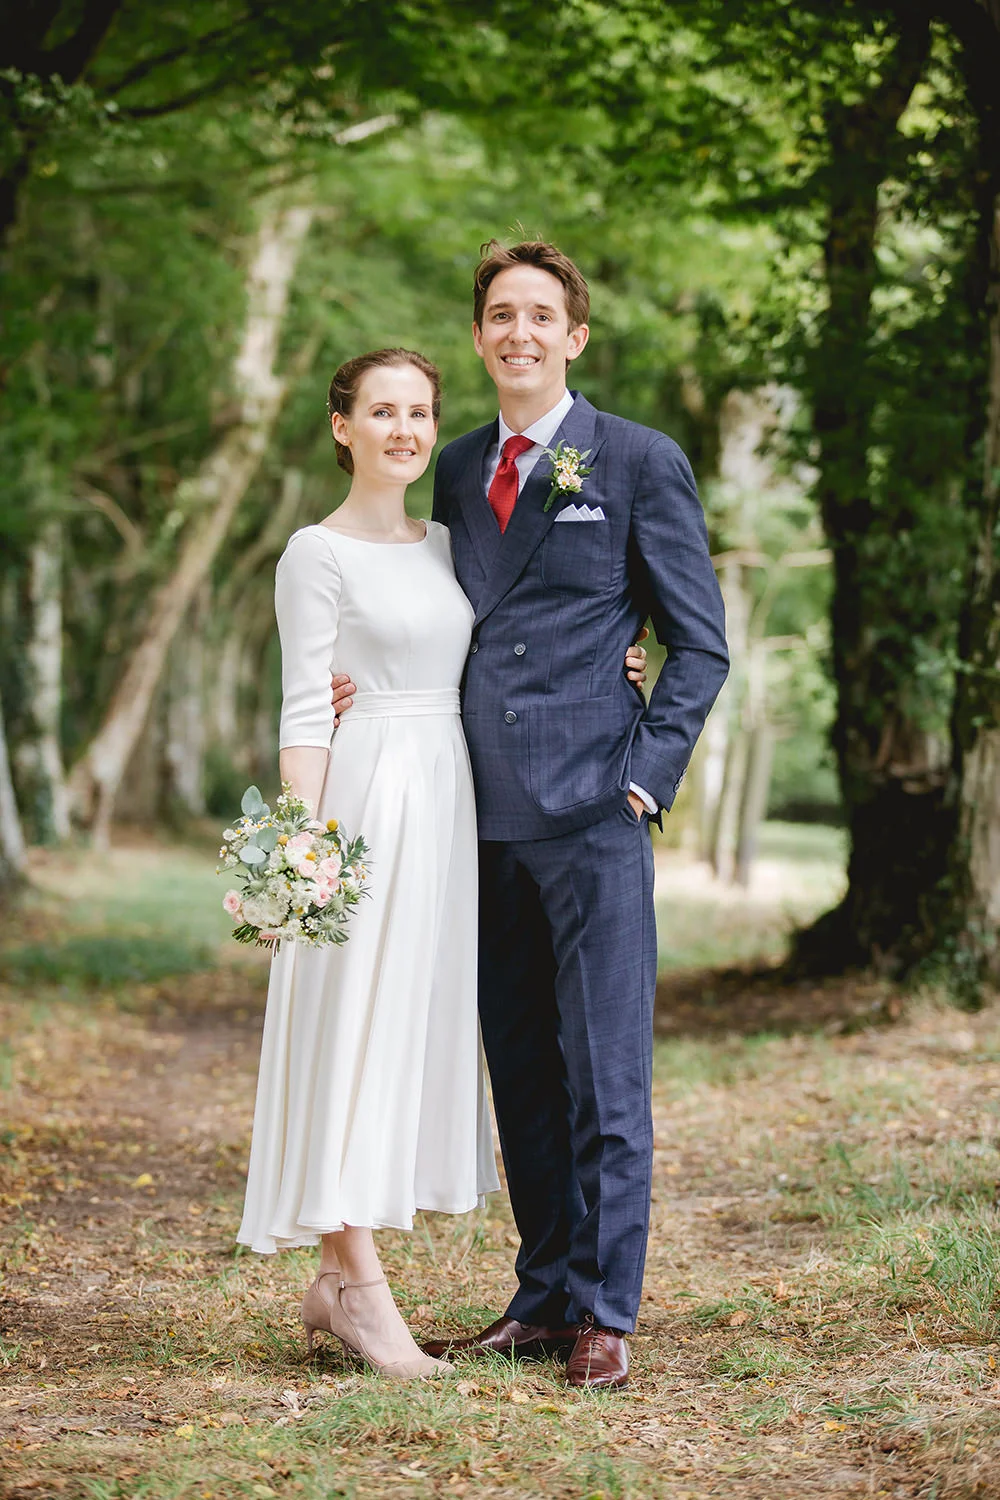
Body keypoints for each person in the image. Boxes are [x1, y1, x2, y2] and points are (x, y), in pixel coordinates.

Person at [336, 241, 728, 1390]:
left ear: (574, 339)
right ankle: (546, 1292)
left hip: (595, 810)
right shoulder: (454, 467)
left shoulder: (638, 460)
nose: (518, 332)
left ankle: (608, 1311)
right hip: (478, 812)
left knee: (607, 1072)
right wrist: (353, 679)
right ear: (478, 335)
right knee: (522, 1066)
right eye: (499, 314)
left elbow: (697, 644)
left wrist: (645, 774)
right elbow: (407, 597)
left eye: (539, 316)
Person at [237, 346, 648, 1382]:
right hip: (365, 801)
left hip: (451, 806)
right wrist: (304, 847)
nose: (405, 432)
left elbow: (520, 639)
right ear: (342, 426)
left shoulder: (451, 540)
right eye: (381, 412)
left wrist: (621, 662)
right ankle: (360, 1287)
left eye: (419, 413)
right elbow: (303, 708)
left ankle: (335, 1287)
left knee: (403, 1032)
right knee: (346, 1029)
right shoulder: (312, 554)